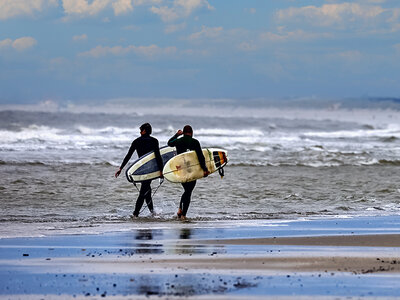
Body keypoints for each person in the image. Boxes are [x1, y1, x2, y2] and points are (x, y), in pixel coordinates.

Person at [115, 123, 163, 217]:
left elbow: (128, 155)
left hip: (141, 169)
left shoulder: (136, 141)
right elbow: (158, 156)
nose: (140, 131)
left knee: (146, 190)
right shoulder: (154, 141)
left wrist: (121, 168)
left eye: (141, 130)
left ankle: (143, 213)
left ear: (144, 131)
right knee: (145, 190)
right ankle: (140, 213)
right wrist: (161, 170)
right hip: (150, 170)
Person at [168, 125, 209, 220]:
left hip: (181, 170)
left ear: (183, 132)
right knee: (188, 191)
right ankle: (183, 214)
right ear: (191, 132)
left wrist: (176, 135)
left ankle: (180, 209)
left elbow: (169, 143)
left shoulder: (179, 141)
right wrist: (205, 169)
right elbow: (200, 157)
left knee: (187, 190)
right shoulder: (195, 142)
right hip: (191, 170)